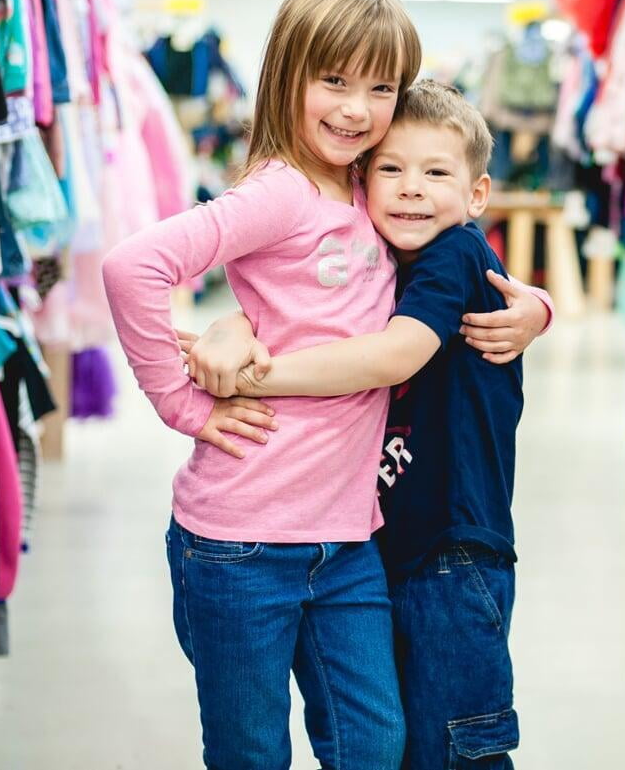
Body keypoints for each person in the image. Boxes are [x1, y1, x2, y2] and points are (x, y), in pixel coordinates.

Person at [101, 0, 548, 770]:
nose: (355, 108)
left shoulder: (371, 186)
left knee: (375, 742)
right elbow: (135, 265)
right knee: (250, 750)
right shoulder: (281, 192)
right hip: (242, 538)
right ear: (287, 76)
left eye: (380, 87)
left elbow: (432, 271)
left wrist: (537, 305)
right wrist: (182, 397)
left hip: (348, 540)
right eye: (333, 80)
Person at [191, 81, 529, 769]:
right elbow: (295, 310)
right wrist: (234, 324)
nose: (410, 189)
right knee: (402, 745)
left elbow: (395, 354)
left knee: (455, 749)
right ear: (360, 180)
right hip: (388, 548)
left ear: (476, 194)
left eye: (436, 172)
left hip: (453, 553)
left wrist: (257, 376)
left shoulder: (454, 254)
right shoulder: (381, 264)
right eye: (391, 170)